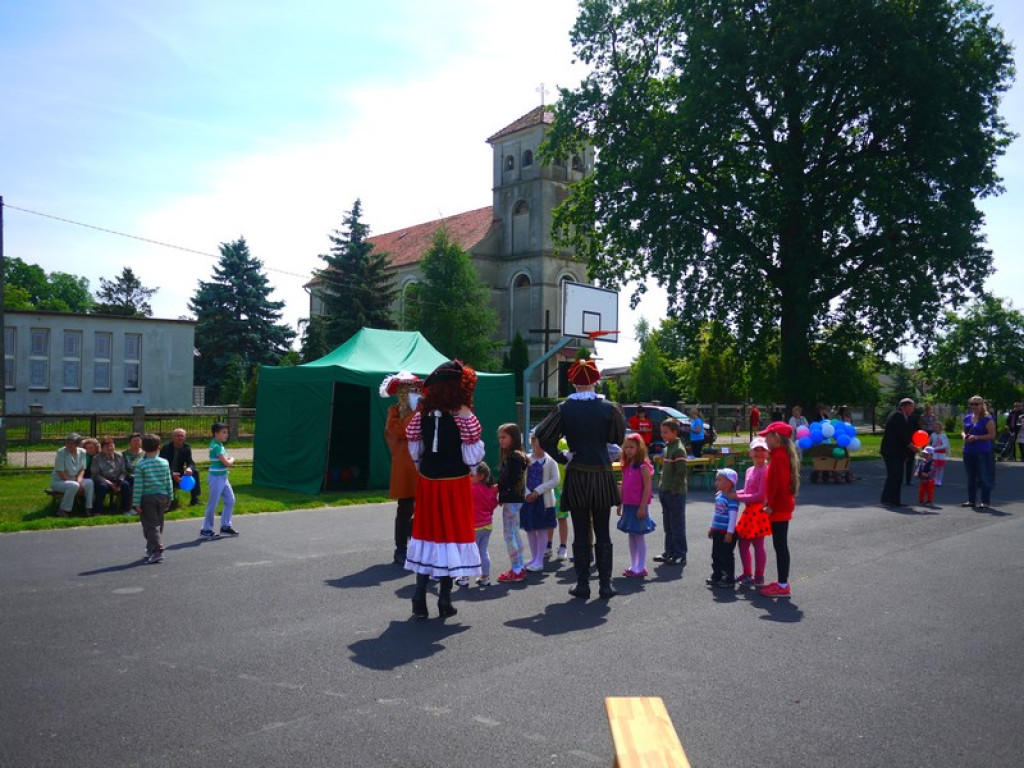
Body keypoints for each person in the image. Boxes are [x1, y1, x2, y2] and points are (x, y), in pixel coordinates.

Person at [535, 358, 627, 600]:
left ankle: (583, 584)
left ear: (573, 382)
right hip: (602, 475)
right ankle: (605, 585)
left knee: (581, 530)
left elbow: (542, 436)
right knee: (603, 531)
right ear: (596, 380)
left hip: (577, 475)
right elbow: (617, 437)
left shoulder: (564, 409)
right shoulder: (610, 408)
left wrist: (562, 456)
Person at [404, 360, 484, 618]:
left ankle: (419, 596)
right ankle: (445, 600)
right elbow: (472, 458)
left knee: (428, 533)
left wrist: (423, 468)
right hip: (454, 484)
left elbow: (415, 448)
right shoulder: (464, 415)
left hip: (428, 482)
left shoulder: (421, 414)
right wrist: (471, 471)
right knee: (450, 535)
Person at [380, 371, 423, 565]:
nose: (407, 392)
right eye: (403, 389)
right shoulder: (394, 412)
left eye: (410, 388)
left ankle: (417, 544)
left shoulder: (423, 409)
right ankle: (401, 549)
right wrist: (412, 414)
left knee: (423, 507)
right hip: (404, 465)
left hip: (422, 464)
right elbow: (398, 432)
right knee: (405, 507)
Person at [759, 421, 799, 598]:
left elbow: (781, 486)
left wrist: (771, 506)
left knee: (780, 545)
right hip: (779, 506)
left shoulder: (780, 457)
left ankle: (783, 585)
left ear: (776, 437)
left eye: (767, 436)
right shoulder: (778, 455)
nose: (765, 440)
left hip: (779, 507)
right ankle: (782, 582)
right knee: (780, 545)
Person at [616, 433, 656, 578]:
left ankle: (641, 567)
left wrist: (642, 506)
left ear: (639, 448)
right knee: (631, 535)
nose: (628, 450)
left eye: (632, 447)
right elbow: (624, 485)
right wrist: (620, 503)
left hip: (638, 505)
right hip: (628, 504)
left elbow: (647, 488)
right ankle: (634, 564)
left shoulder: (643, 466)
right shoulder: (626, 465)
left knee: (639, 535)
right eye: (626, 447)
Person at [734, 436, 771, 588]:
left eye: (763, 450)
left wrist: (736, 496)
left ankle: (759, 576)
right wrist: (730, 493)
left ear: (767, 453)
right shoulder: (750, 470)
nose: (759, 453)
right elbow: (747, 490)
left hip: (759, 512)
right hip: (749, 511)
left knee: (758, 544)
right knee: (743, 544)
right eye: (756, 450)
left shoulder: (766, 470)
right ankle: (747, 572)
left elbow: (760, 495)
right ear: (750, 452)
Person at [496, 423, 530, 583]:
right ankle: (519, 566)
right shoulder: (518, 456)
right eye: (500, 438)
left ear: (513, 438)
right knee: (514, 533)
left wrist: (499, 490)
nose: (501, 441)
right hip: (515, 499)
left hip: (512, 499)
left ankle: (517, 568)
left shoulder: (513, 457)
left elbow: (509, 478)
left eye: (504, 437)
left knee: (510, 535)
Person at [522, 433, 560, 573]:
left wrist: (537, 491)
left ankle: (539, 560)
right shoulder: (526, 458)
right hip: (528, 501)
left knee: (542, 529)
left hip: (543, 501)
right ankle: (533, 558)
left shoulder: (551, 461)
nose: (535, 444)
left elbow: (555, 480)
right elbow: (521, 477)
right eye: (534, 440)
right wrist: (527, 493)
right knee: (530, 529)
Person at [133, 433, 173, 564]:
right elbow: (168, 481)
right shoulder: (164, 462)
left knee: (150, 525)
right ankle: (151, 547)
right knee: (158, 523)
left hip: (148, 497)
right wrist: (170, 496)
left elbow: (138, 485)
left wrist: (136, 503)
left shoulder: (141, 465)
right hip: (162, 496)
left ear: (143, 448)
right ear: (158, 447)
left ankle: (157, 550)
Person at [653, 418, 688, 566]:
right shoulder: (668, 447)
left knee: (677, 525)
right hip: (665, 491)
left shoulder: (679, 449)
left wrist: (674, 489)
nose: (663, 435)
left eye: (666, 432)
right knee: (668, 525)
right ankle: (669, 552)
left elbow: (681, 472)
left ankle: (680, 554)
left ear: (675, 432)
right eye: (662, 432)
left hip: (675, 493)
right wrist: (661, 486)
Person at [202, 422, 237, 538]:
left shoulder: (220, 445)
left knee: (230, 500)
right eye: (223, 432)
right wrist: (232, 459)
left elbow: (224, 461)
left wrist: (228, 460)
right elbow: (226, 462)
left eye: (226, 432)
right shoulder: (216, 446)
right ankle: (206, 529)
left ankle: (225, 526)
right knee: (213, 504)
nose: (226, 435)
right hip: (216, 478)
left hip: (223, 476)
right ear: (216, 433)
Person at [466, 462, 499, 588]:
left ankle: (464, 577)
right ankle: (485, 577)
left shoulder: (470, 489)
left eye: (471, 475)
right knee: (483, 551)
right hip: (487, 525)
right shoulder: (489, 490)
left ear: (480, 476)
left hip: (474, 527)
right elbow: (493, 504)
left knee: (469, 552)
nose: (469, 477)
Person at [707, 468, 740, 588]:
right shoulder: (719, 496)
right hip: (717, 531)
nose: (716, 482)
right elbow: (716, 513)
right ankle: (717, 574)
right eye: (716, 480)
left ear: (729, 482)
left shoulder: (731, 498)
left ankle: (729, 578)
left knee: (726, 555)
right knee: (715, 554)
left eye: (719, 480)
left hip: (727, 532)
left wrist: (730, 533)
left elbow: (733, 517)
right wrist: (712, 527)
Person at [880, 398, 916, 508]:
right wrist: (911, 445)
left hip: (897, 452)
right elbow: (901, 434)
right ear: (905, 406)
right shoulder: (897, 415)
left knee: (896, 476)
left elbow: (907, 433)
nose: (913, 409)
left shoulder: (903, 416)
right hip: (891, 451)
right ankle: (888, 500)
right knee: (894, 475)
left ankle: (893, 500)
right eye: (912, 407)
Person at [961, 396, 996, 509]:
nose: (974, 406)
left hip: (982, 452)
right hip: (968, 451)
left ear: (982, 405)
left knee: (984, 476)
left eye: (977, 404)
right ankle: (971, 500)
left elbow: (992, 435)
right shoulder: (967, 417)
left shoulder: (987, 419)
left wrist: (976, 437)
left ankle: (985, 501)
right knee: (971, 477)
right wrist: (964, 436)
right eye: (972, 404)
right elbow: (963, 431)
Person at [50, 433, 93, 517]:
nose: (68, 445)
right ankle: (63, 510)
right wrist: (77, 484)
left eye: (71, 443)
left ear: (77, 444)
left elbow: (82, 469)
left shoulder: (83, 452)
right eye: (67, 443)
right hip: (59, 481)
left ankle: (88, 508)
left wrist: (79, 481)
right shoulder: (61, 452)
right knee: (73, 485)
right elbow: (60, 472)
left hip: (74, 480)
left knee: (89, 483)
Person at [159, 429, 200, 507]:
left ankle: (195, 499)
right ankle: (168, 501)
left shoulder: (187, 447)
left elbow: (190, 462)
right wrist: (171, 473)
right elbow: (161, 466)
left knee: (195, 472)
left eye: (182, 436)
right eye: (178, 436)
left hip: (180, 473)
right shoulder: (166, 448)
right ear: (173, 437)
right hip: (167, 473)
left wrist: (189, 468)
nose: (180, 438)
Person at [92, 435, 132, 514]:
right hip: (102, 480)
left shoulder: (119, 456)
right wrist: (109, 483)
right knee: (102, 487)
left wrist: (120, 480)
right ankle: (98, 511)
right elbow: (96, 475)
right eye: (107, 447)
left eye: (111, 446)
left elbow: (123, 471)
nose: (110, 448)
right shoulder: (96, 458)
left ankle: (126, 509)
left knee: (126, 485)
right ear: (102, 448)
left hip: (117, 479)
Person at [904, 405, 921, 486]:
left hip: (911, 442)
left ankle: (908, 480)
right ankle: (898, 479)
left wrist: (917, 442)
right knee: (900, 462)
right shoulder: (900, 418)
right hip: (903, 443)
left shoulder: (913, 418)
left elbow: (918, 430)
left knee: (910, 462)